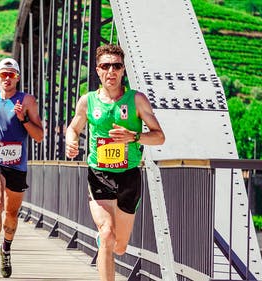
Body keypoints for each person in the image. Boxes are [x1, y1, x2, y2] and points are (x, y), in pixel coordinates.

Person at [65, 44, 165, 281]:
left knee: (119, 246)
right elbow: (73, 127)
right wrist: (71, 142)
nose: (111, 71)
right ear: (97, 71)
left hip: (129, 175)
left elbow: (159, 136)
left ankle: (106, 243)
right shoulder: (87, 101)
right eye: (105, 66)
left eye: (116, 66)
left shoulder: (137, 100)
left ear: (123, 71)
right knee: (107, 234)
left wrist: (134, 137)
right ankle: (104, 243)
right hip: (99, 174)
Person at [0, 57, 44, 279]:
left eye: (11, 74)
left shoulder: (28, 101)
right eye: (3, 74)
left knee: (12, 214)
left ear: (18, 77)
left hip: (17, 165)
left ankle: (6, 250)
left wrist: (23, 119)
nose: (7, 78)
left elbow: (40, 136)